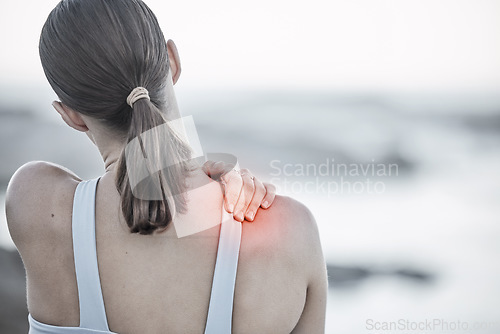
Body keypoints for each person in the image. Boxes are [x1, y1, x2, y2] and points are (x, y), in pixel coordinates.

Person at [6, 0, 328, 333]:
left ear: (70, 115)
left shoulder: (34, 201)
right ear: (172, 62)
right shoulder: (290, 233)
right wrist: (206, 187)